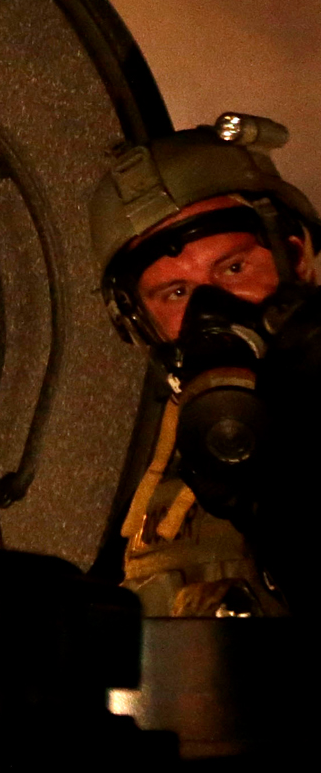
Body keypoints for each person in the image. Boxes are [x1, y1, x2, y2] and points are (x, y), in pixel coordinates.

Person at [89, 114, 321, 617]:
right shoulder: (127, 471)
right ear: (140, 325)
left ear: (296, 258)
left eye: (234, 268)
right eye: (176, 292)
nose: (210, 310)